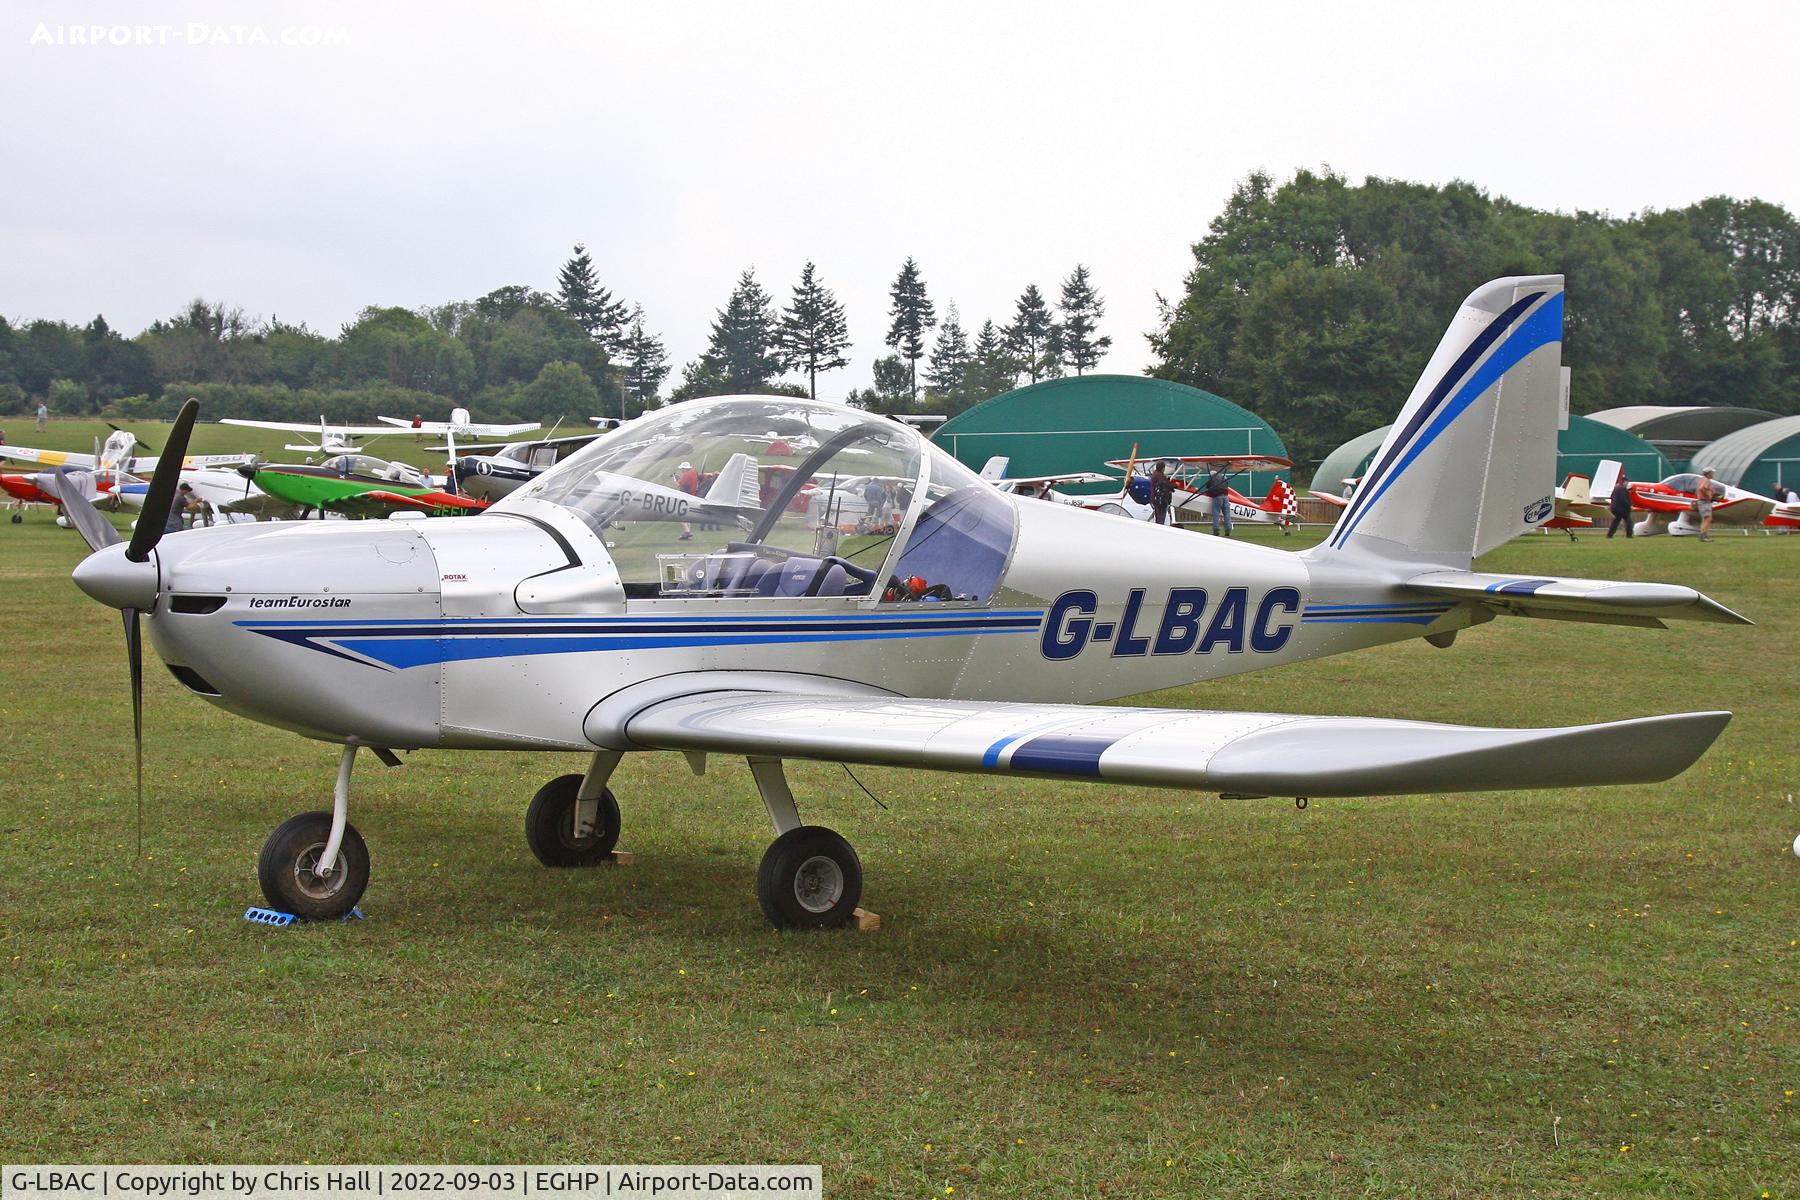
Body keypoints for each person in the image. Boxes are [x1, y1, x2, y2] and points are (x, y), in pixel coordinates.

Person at [1203, 463, 1233, 536]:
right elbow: (1227, 485)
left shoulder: (1212, 478)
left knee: (1216, 514)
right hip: (1226, 497)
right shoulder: (1223, 477)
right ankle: (1228, 530)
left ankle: (1216, 530)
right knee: (1227, 514)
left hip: (1217, 497)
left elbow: (1207, 486)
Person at [675, 460, 699, 541]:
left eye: (682, 468)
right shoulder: (694, 472)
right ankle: (688, 533)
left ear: (685, 469)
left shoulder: (686, 475)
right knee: (688, 516)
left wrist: (676, 480)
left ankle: (687, 531)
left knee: (680, 515)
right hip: (693, 496)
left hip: (685, 496)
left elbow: (679, 485)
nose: (681, 470)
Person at [1694, 468, 1719, 541]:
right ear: (1708, 473)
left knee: (1705, 518)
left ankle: (1703, 536)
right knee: (1708, 518)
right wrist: (1709, 496)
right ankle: (1703, 536)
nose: (1713, 474)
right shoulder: (1706, 480)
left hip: (1702, 501)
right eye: (1712, 473)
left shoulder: (1701, 479)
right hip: (1704, 501)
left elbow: (1699, 489)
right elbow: (1702, 488)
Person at [1606, 473, 1634, 539]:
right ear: (1625, 482)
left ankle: (1609, 535)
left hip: (1614, 508)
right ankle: (1629, 535)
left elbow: (1611, 497)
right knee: (1629, 522)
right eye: (1627, 482)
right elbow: (1624, 499)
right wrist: (1629, 506)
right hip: (1622, 510)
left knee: (1615, 523)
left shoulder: (1616, 488)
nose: (1627, 484)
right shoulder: (1623, 489)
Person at [1149, 461, 1174, 526]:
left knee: (1158, 516)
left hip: (1155, 499)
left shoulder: (1155, 474)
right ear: (1162, 468)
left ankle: (1158, 527)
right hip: (1160, 500)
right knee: (1161, 517)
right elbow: (1164, 484)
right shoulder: (1160, 476)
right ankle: (1160, 528)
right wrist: (1173, 486)